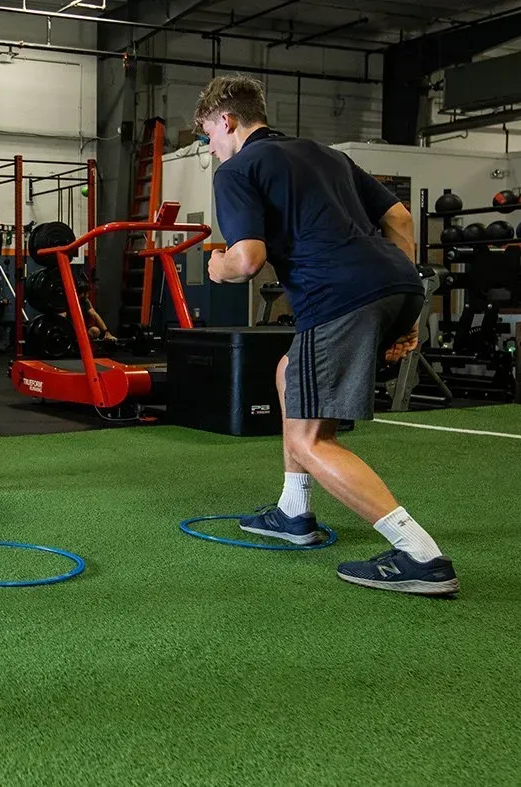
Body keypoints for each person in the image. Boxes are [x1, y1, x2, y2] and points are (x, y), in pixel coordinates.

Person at [195, 74, 459, 596]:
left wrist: (217, 266)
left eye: (209, 137)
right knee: (287, 370)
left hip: (339, 296)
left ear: (226, 120)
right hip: (399, 280)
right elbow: (401, 219)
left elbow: (248, 261)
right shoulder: (326, 154)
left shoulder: (238, 169)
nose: (211, 148)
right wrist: (398, 306)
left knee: (310, 439)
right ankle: (294, 511)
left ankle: (421, 556)